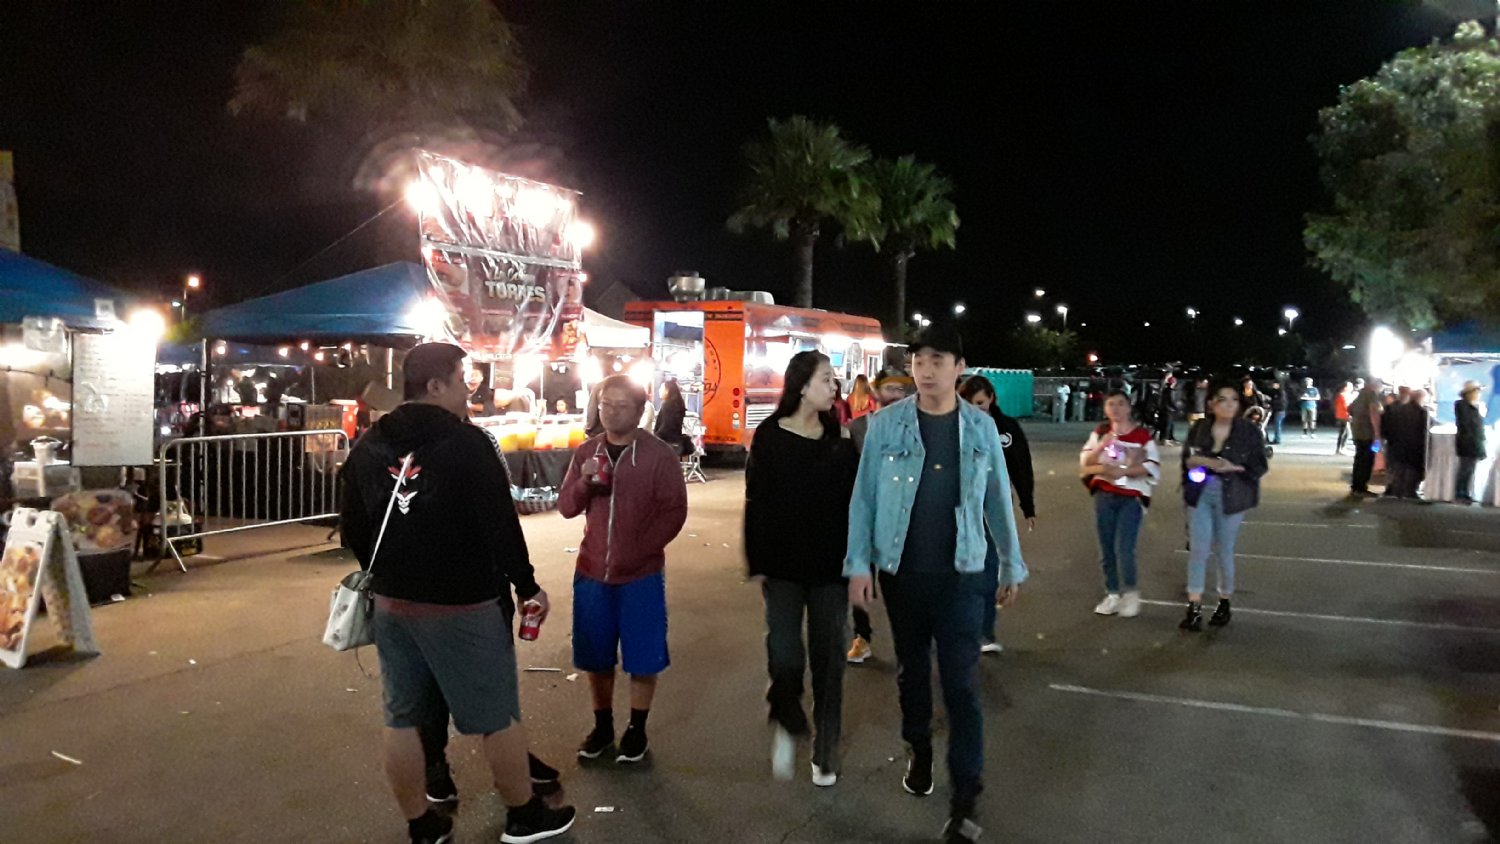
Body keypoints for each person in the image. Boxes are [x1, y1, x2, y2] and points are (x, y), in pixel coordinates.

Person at [340, 342, 575, 844]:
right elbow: (499, 524)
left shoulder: (369, 444)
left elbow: (353, 526)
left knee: (402, 717)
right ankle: (524, 815)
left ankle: (422, 823)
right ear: (435, 385)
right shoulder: (466, 443)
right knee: (496, 715)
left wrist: (385, 574)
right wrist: (527, 585)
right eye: (462, 379)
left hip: (392, 604)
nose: (469, 390)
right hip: (462, 603)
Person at [845, 325, 1026, 843]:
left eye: (937, 360)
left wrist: (1010, 563)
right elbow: (864, 498)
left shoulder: (981, 428)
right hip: (902, 573)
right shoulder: (885, 425)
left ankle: (965, 797)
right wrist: (859, 564)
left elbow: (997, 499)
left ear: (959, 368)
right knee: (912, 673)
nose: (925, 370)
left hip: (963, 574)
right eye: (919, 360)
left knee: (962, 686)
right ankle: (919, 746)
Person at [560, 375, 688, 765]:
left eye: (621, 406)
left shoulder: (658, 455)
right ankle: (602, 726)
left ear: (640, 410)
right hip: (592, 573)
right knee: (596, 656)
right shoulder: (587, 451)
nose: (612, 413)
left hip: (641, 576)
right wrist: (584, 484)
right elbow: (566, 506)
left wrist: (643, 550)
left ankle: (637, 728)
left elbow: (674, 511)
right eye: (605, 405)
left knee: (643, 657)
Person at [745, 351, 858, 786]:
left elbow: (856, 503)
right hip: (782, 568)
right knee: (785, 653)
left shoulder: (840, 438)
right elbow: (756, 500)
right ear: (802, 385)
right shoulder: (770, 436)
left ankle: (825, 751)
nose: (834, 386)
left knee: (829, 661)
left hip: (832, 568)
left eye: (834, 379)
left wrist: (860, 561)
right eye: (826, 379)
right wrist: (757, 560)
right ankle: (786, 709)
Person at [1179, 381, 1269, 631]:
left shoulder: (1249, 431)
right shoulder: (1200, 427)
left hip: (1233, 494)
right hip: (1200, 492)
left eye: (1233, 400)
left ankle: (1224, 601)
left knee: (1224, 549)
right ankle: (1194, 606)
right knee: (1198, 550)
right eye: (1222, 399)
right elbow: (1187, 458)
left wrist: (1234, 467)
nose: (1229, 405)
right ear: (1211, 404)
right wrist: (1197, 463)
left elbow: (1259, 466)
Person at [959, 375, 1036, 655]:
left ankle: (984, 631)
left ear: (991, 398)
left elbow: (1021, 467)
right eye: (970, 404)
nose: (976, 409)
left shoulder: (1006, 429)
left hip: (991, 505)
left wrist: (1028, 506)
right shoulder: (956, 426)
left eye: (981, 403)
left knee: (989, 567)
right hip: (963, 508)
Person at [845, 368, 913, 665]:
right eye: (889, 389)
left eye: (900, 390)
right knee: (860, 578)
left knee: (900, 586)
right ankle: (862, 638)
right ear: (876, 391)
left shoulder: (915, 428)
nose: (895, 395)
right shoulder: (857, 428)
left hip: (899, 520)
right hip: (863, 515)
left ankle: (911, 642)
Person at [1080, 389, 1160, 618]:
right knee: (1106, 548)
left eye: (1120, 403)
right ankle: (1112, 593)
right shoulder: (1100, 433)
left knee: (1124, 547)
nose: (1115, 409)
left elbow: (1152, 466)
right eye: (1111, 404)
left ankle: (1131, 592)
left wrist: (1124, 471)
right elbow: (1085, 463)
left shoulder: (1142, 435)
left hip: (1131, 497)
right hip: (1104, 496)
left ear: (1129, 407)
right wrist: (1102, 448)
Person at [1384, 387, 1429, 499]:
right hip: (1414, 445)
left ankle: (1398, 490)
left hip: (1398, 443)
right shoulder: (1421, 412)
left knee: (1399, 468)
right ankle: (1410, 491)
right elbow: (1424, 429)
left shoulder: (1399, 409)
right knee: (1412, 469)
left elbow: (1388, 427)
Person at [1456, 380, 1487, 504]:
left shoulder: (1475, 406)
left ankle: (1465, 492)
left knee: (1470, 469)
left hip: (1474, 441)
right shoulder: (1461, 405)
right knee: (1465, 469)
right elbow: (1466, 423)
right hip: (1467, 442)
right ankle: (1460, 493)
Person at [654, 379, 689, 456]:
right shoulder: (678, 404)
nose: (659, 391)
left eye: (661, 388)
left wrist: (654, 437)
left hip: (667, 444)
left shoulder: (668, 405)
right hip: (676, 443)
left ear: (667, 391)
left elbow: (666, 426)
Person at [1334, 381, 1356, 455]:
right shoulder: (1342, 395)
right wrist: (1349, 414)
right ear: (1345, 387)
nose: (1351, 388)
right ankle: (1340, 449)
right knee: (1344, 432)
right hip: (1343, 416)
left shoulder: (1346, 395)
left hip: (1344, 415)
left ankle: (1341, 448)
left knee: (1345, 432)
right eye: (1350, 386)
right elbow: (1345, 406)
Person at [1267, 380, 1287, 445]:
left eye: (1275, 384)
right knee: (1277, 425)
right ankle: (1276, 439)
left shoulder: (1281, 392)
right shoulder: (1275, 392)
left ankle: (1277, 439)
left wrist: (1271, 402)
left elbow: (1280, 401)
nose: (1274, 385)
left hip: (1280, 410)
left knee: (1277, 425)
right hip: (1278, 410)